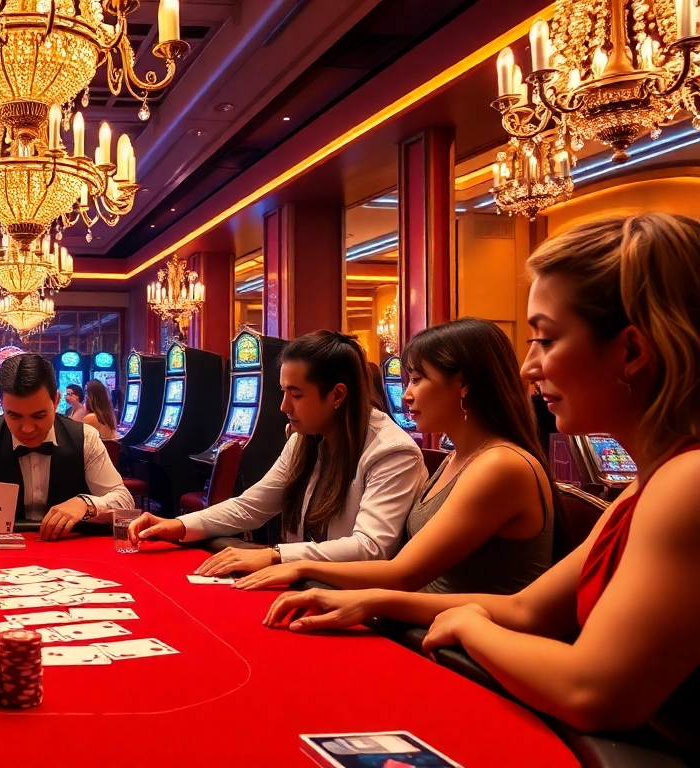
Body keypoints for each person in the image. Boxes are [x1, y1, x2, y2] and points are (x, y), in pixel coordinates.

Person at [264, 214, 700, 755]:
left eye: (545, 338)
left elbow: (594, 691)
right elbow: (525, 610)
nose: (528, 367)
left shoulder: (688, 481)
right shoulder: (645, 487)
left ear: (632, 351)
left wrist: (470, 625)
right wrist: (370, 600)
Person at [236, 318, 554, 594]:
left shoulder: (499, 464)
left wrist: (293, 564)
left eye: (417, 379)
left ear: (463, 385)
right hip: (431, 625)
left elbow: (403, 574)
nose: (405, 394)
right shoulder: (457, 457)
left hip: (464, 653)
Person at [128, 331, 427, 575]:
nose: (284, 407)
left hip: (356, 602)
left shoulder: (392, 452)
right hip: (305, 584)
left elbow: (370, 548)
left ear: (337, 395)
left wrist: (274, 555)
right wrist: (178, 525)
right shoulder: (305, 439)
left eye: (295, 394)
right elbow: (251, 506)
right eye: (283, 392)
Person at [0, 353, 132, 541]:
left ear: (56, 401)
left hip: (70, 552)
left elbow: (124, 500)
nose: (28, 429)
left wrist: (85, 504)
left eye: (39, 415)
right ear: (1, 404)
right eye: (14, 415)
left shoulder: (85, 436)